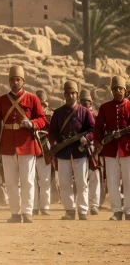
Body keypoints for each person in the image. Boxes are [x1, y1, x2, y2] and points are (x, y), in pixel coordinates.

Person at [0, 65, 47, 224]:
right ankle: (15, 213)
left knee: (28, 181)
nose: (15, 82)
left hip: (27, 144)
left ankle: (27, 212)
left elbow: (42, 119)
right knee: (10, 181)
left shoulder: (32, 99)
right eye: (12, 80)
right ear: (9, 82)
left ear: (23, 81)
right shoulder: (2, 100)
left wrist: (32, 123)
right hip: (7, 145)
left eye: (18, 79)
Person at [47, 81, 94, 220]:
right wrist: (55, 142)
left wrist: (86, 137)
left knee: (82, 182)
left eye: (73, 93)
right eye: (68, 93)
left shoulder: (84, 112)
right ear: (64, 94)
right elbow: (52, 132)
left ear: (77, 95)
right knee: (64, 183)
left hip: (80, 151)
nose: (70, 95)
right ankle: (69, 210)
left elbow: (92, 129)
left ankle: (83, 210)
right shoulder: (58, 113)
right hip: (63, 153)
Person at [95, 76, 130, 220]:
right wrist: (98, 142)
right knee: (112, 180)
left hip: (127, 148)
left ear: (125, 90)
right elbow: (98, 128)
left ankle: (128, 210)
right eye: (115, 89)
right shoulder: (104, 107)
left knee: (128, 180)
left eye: (120, 89)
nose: (118, 91)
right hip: (110, 149)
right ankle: (116, 210)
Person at [80, 91, 102, 215]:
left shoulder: (95, 115)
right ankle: (83, 204)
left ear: (90, 103)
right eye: (82, 102)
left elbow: (98, 131)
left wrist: (94, 144)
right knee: (80, 178)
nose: (84, 104)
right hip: (79, 149)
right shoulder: (76, 114)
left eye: (86, 102)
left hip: (93, 150)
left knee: (95, 177)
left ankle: (94, 204)